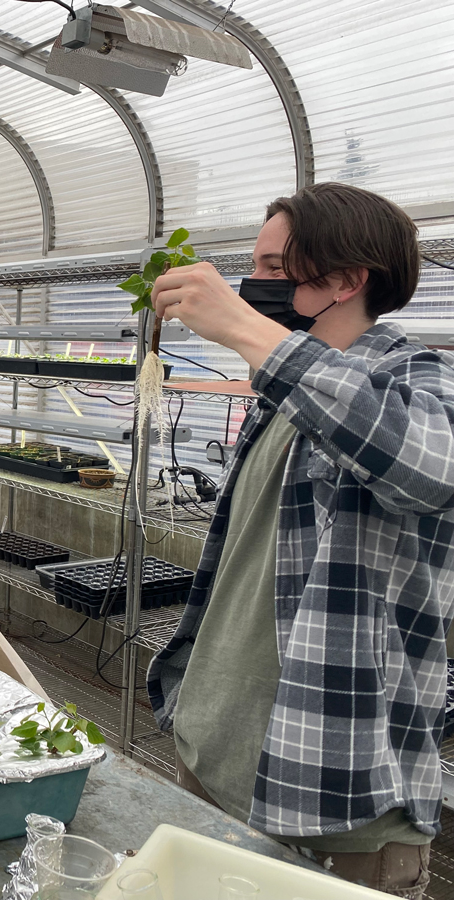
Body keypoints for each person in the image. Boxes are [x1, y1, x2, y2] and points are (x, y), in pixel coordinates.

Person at [146, 183, 452, 898]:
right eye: (253, 267)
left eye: (277, 268)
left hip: (334, 799)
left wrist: (253, 333)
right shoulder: (282, 400)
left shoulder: (417, 380)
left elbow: (433, 470)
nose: (251, 285)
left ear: (346, 281)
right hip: (214, 756)